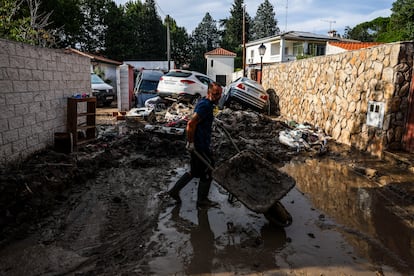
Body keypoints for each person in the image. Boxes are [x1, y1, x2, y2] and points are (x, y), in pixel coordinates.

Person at [168, 82, 223, 208]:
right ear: (209, 93)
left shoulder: (207, 103)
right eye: (215, 94)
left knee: (194, 171)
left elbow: (200, 120)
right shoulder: (205, 106)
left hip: (200, 142)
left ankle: (174, 191)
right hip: (199, 144)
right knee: (209, 170)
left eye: (219, 94)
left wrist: (213, 121)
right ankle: (202, 200)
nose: (218, 96)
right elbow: (191, 124)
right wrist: (191, 142)